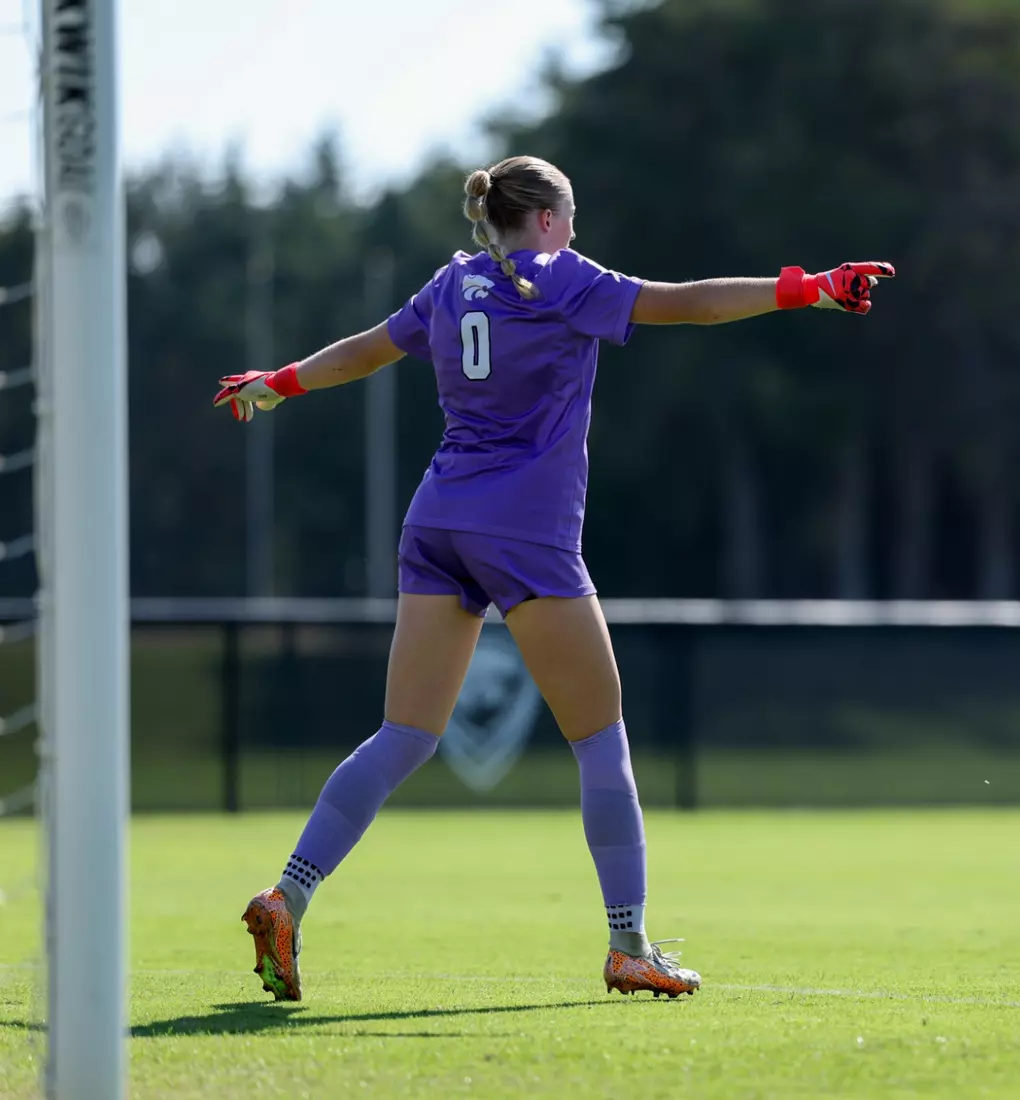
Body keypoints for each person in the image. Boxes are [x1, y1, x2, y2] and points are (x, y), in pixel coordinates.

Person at [213, 155, 894, 1002]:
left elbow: (364, 354)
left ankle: (289, 892)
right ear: (544, 218)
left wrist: (276, 383)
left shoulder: (452, 281)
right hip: (524, 532)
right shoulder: (559, 277)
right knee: (599, 737)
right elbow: (690, 303)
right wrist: (810, 287)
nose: (573, 233)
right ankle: (629, 945)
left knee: (406, 734)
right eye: (568, 218)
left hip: (437, 521)